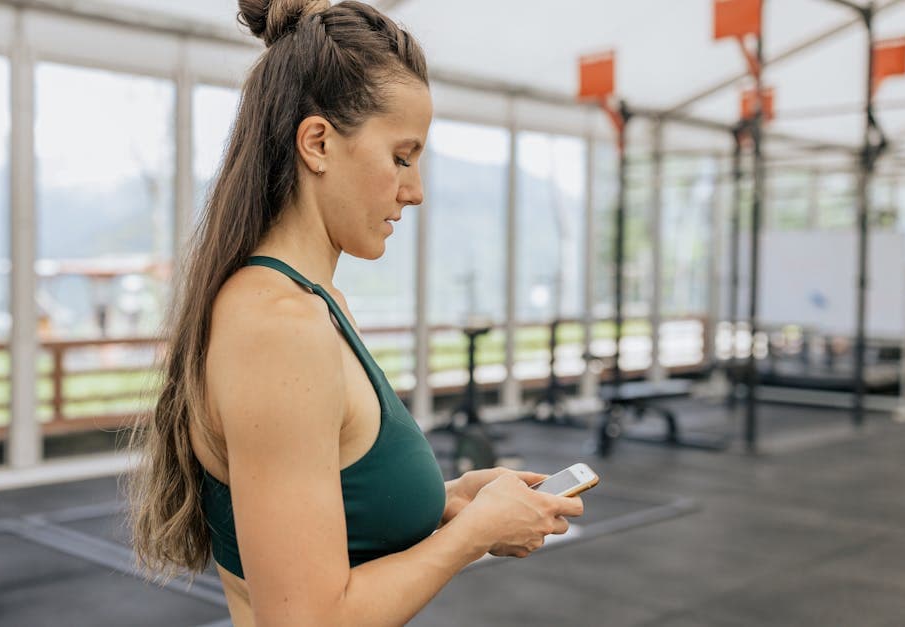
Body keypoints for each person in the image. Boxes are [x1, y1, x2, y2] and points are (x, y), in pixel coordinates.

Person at [126, 1, 585, 625]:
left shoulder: (313, 303)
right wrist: (472, 535)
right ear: (317, 142)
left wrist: (449, 503)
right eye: (401, 157)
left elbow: (329, 510)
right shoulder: (278, 329)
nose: (415, 189)